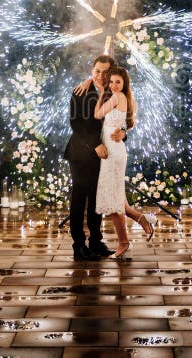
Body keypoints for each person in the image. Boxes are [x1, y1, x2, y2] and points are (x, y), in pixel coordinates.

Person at [64, 55, 124, 261]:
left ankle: (96, 242)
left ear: (112, 73)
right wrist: (94, 144)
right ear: (92, 70)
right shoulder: (80, 91)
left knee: (97, 198)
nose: (99, 75)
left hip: (105, 154)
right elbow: (76, 124)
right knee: (80, 199)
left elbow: (122, 119)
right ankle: (78, 245)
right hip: (80, 154)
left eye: (105, 72)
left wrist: (123, 132)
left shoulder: (113, 93)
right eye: (96, 71)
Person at [93, 66, 156, 259]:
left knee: (113, 201)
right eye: (110, 82)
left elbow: (97, 115)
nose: (113, 85)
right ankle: (142, 219)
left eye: (117, 82)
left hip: (112, 152)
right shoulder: (124, 98)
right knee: (118, 198)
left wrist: (103, 91)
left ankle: (124, 242)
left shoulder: (117, 97)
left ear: (124, 83)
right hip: (113, 148)